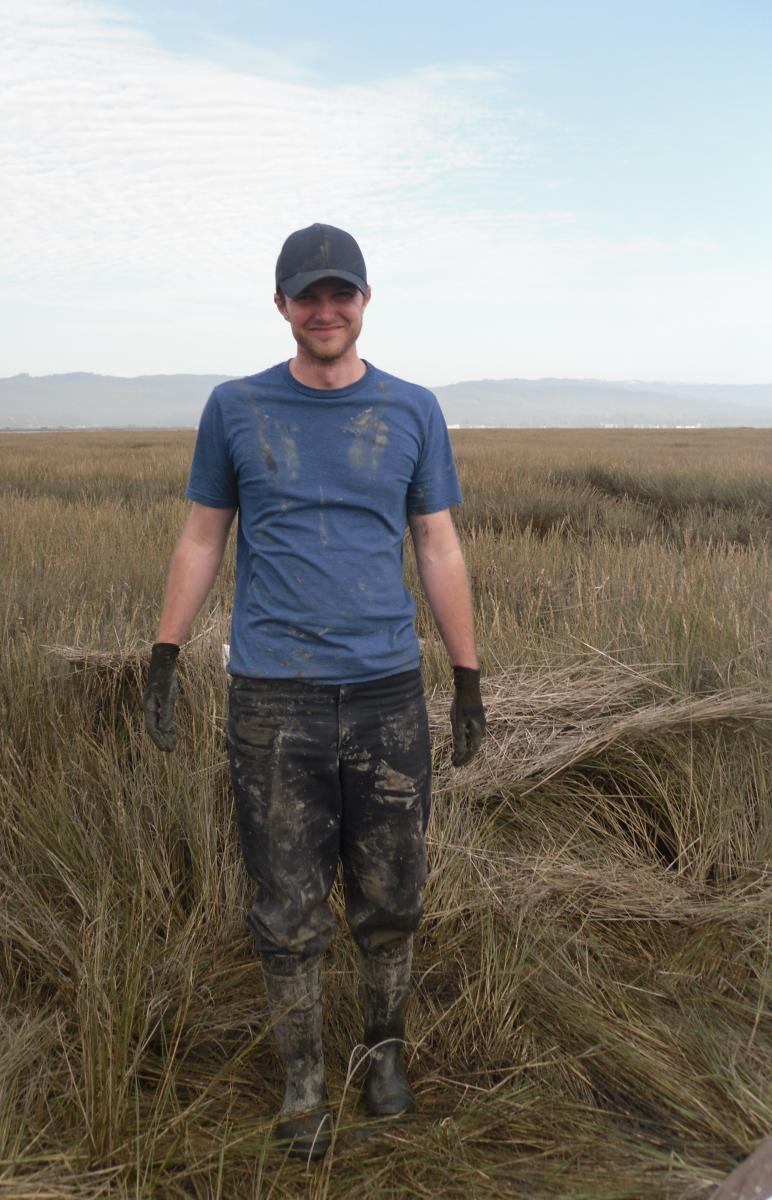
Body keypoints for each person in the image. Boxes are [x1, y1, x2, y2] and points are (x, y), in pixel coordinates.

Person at [142, 223, 485, 1160]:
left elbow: (438, 545)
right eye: (308, 295)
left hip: (385, 697)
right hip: (272, 702)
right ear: (284, 305)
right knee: (287, 906)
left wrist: (464, 675)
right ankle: (302, 1083)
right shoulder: (236, 407)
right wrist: (166, 655)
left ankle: (382, 1056)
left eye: (341, 294)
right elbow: (203, 537)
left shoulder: (413, 410)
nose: (324, 310)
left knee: (390, 898)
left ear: (365, 301)